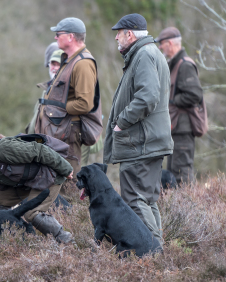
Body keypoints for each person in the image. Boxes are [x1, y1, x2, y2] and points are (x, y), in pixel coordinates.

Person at [103, 14, 173, 246]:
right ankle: (157, 250)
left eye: (119, 32)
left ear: (130, 34)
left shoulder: (143, 55)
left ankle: (153, 253)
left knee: (135, 199)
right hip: (149, 141)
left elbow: (147, 97)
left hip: (139, 143)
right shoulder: (151, 53)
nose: (116, 37)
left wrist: (121, 122)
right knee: (148, 200)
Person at [34, 17, 100, 200]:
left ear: (70, 37)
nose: (55, 38)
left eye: (58, 34)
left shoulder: (83, 63)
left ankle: (74, 226)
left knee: (68, 188)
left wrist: (56, 107)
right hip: (59, 134)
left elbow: (84, 104)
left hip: (68, 136)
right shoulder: (70, 60)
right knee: (55, 186)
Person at [156, 27, 203, 185]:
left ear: (170, 43)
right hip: (175, 129)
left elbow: (194, 95)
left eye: (162, 44)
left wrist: (173, 100)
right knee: (173, 173)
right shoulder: (174, 64)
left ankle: (187, 208)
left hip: (183, 130)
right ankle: (178, 208)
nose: (160, 47)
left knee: (182, 173)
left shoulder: (185, 65)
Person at [26, 47, 64, 134]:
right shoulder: (46, 90)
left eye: (59, 64)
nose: (55, 68)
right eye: (53, 64)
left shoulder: (67, 92)